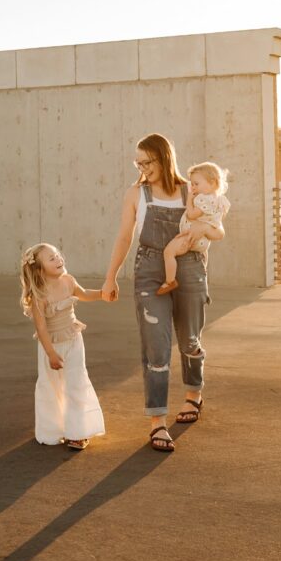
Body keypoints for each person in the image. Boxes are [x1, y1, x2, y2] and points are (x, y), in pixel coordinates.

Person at [101, 133, 222, 453]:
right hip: (150, 270)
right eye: (137, 162)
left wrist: (200, 249)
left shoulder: (189, 190)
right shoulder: (135, 193)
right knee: (156, 347)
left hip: (191, 266)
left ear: (164, 158)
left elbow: (213, 223)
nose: (141, 167)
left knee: (190, 340)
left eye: (147, 161)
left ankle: (194, 394)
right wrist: (110, 277)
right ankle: (157, 421)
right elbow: (125, 237)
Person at [20, 242, 105, 450]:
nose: (58, 259)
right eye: (51, 258)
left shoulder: (68, 281)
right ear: (40, 269)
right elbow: (41, 328)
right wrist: (51, 354)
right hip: (51, 346)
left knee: (75, 382)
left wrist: (103, 293)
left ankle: (78, 432)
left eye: (58, 255)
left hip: (73, 340)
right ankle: (52, 430)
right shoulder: (39, 294)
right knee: (50, 386)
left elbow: (84, 294)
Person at [157, 161, 230, 296]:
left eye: (196, 184)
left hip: (191, 237)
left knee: (169, 252)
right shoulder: (220, 200)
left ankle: (170, 281)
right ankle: (204, 276)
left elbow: (191, 215)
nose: (193, 188)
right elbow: (217, 222)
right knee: (203, 255)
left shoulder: (202, 199)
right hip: (204, 241)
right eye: (192, 184)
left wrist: (189, 199)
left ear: (213, 183)